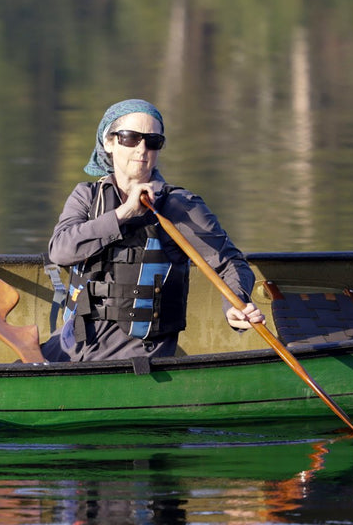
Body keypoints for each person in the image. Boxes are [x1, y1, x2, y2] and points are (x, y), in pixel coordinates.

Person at [44, 99, 264, 362]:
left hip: (135, 355)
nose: (142, 149)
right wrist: (124, 213)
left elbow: (231, 263)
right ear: (109, 143)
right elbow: (60, 251)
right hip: (71, 343)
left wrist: (235, 306)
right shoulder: (86, 196)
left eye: (153, 141)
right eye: (131, 138)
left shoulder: (179, 205)